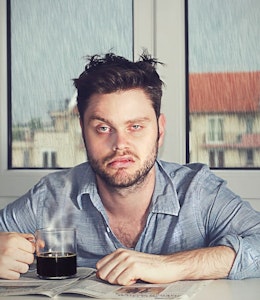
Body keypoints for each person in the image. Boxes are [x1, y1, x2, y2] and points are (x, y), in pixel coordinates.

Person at [0, 52, 260, 285]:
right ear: (83, 131)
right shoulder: (51, 197)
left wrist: (170, 265)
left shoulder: (199, 192)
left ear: (160, 130)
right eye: (103, 128)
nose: (120, 144)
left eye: (135, 127)